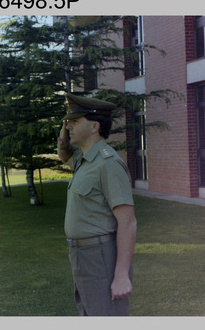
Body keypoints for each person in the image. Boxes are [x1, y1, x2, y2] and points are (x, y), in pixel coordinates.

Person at [57, 93, 137, 316]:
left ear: (94, 127)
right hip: (82, 256)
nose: (69, 126)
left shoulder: (107, 163)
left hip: (100, 257)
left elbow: (128, 222)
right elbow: (64, 154)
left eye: (75, 122)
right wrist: (65, 135)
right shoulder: (85, 159)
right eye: (68, 123)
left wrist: (121, 275)